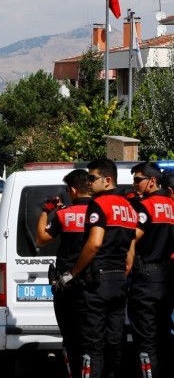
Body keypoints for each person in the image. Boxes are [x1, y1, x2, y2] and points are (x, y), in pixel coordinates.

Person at [63, 159, 137, 378]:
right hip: (119, 281)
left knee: (92, 346)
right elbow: (130, 254)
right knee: (114, 342)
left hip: (97, 282)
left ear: (107, 180)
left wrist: (73, 273)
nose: (88, 182)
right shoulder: (129, 207)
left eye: (92, 178)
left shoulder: (99, 204)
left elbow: (94, 243)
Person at [35, 169, 91, 378]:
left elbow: (41, 239)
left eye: (68, 190)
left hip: (67, 284)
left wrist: (45, 211)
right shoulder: (101, 211)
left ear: (73, 190)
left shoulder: (64, 214)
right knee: (94, 339)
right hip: (96, 284)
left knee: (71, 337)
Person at [126, 162, 174, 378]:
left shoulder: (146, 206)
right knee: (163, 336)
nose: (134, 184)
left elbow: (131, 238)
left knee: (146, 341)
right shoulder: (171, 205)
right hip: (167, 278)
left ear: (152, 181)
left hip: (146, 279)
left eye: (138, 180)